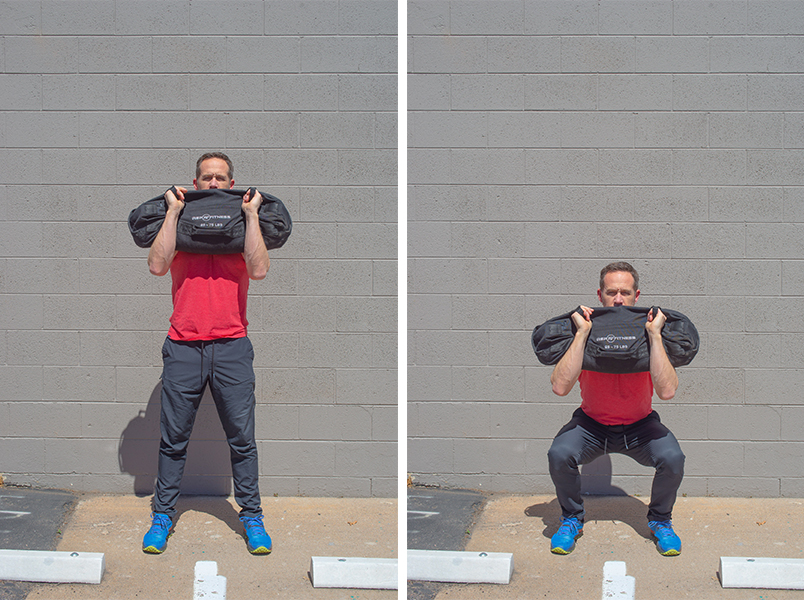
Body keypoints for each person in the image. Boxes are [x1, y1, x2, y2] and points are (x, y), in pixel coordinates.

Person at [141, 152, 272, 555]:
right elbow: (157, 265)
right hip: (183, 345)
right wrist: (173, 212)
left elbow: (259, 269)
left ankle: (252, 517)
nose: (213, 183)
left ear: (231, 184)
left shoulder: (240, 225)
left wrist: (250, 216)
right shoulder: (182, 224)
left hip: (232, 345)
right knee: (173, 439)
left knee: (242, 440)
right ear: (195, 183)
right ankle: (162, 517)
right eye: (206, 178)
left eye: (221, 178)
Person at [546, 261, 685, 556]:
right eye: (611, 293)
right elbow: (559, 387)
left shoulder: (649, 335)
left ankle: (660, 521)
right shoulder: (584, 332)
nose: (618, 299)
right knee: (559, 453)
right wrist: (582, 334)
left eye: (625, 292)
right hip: (591, 426)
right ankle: (572, 518)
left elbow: (667, 391)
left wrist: (655, 335)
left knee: (673, 458)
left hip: (640, 426)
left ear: (637, 295)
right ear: (600, 295)